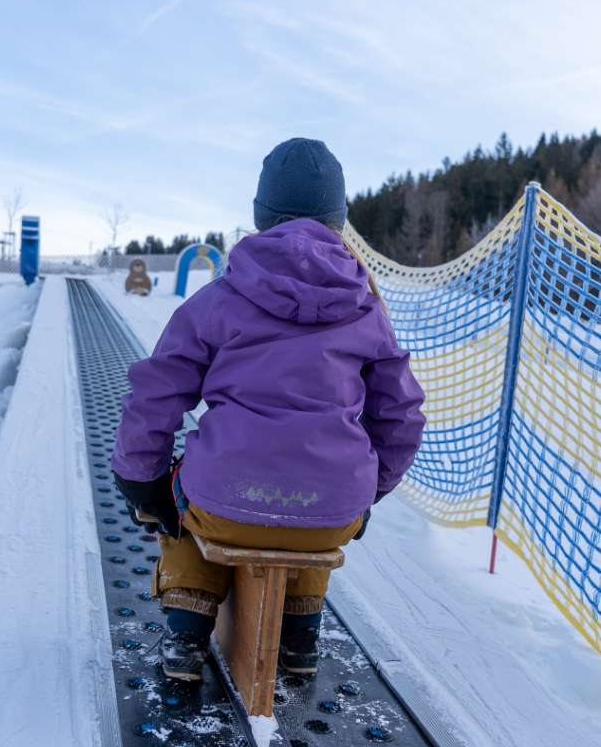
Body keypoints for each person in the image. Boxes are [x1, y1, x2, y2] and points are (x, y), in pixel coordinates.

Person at [112, 138, 425, 681]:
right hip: (331, 518)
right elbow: (401, 414)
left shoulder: (220, 300)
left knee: (181, 498)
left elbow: (156, 393)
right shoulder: (367, 308)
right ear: (338, 217)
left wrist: (143, 481)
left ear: (262, 215)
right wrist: (368, 488)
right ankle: (300, 634)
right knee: (315, 494)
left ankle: (187, 630)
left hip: (224, 506)